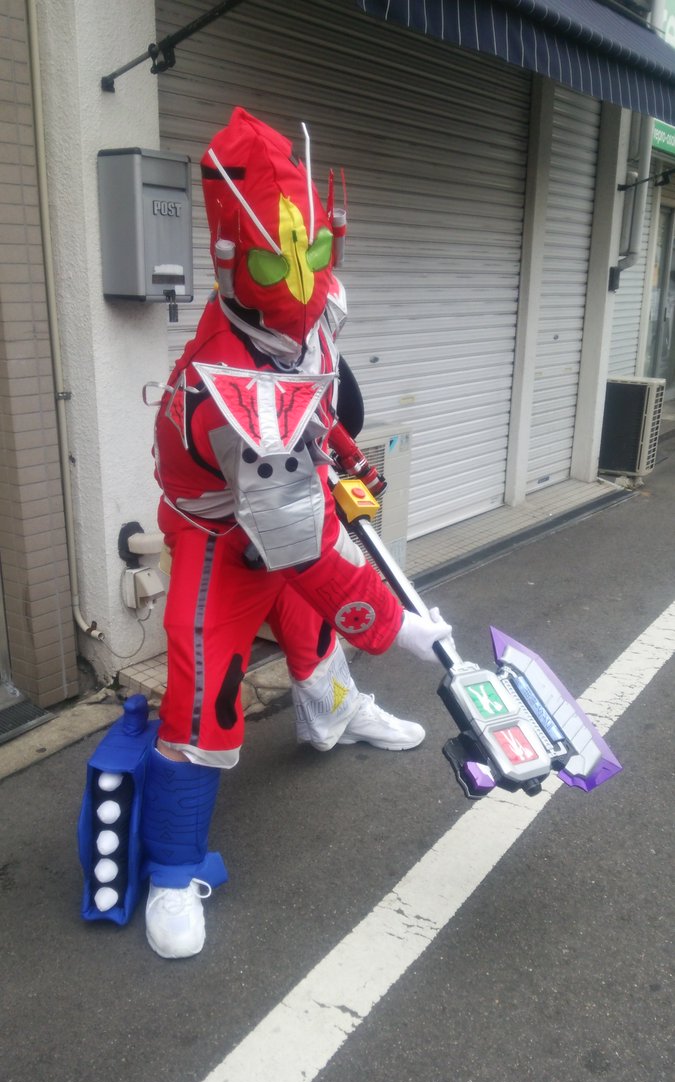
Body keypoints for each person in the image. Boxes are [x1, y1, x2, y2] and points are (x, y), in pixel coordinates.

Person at [144, 107, 452, 958]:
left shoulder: (312, 312)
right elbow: (301, 547)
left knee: (313, 628)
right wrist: (398, 626)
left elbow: (313, 401)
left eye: (312, 251)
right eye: (278, 261)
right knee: (203, 692)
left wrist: (344, 455)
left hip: (287, 482)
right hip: (217, 532)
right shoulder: (225, 384)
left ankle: (334, 718)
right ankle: (171, 869)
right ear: (233, 260)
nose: (303, 278)